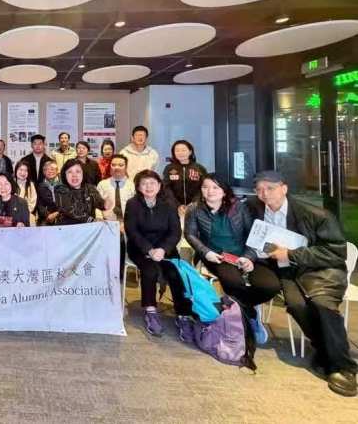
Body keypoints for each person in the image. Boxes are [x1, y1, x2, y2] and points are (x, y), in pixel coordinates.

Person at [247, 170, 357, 397]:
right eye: (259, 190)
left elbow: (336, 253)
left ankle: (344, 367)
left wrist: (291, 254)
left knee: (322, 305)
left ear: (284, 188)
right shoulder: (255, 208)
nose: (264, 194)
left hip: (321, 271)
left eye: (270, 188)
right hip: (288, 271)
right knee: (296, 305)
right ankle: (324, 349)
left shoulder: (316, 215)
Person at [184, 174, 279, 344]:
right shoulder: (194, 209)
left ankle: (237, 308)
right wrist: (206, 252)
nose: (210, 191)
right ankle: (250, 316)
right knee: (233, 282)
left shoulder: (239, 207)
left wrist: (249, 257)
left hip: (245, 255)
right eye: (205, 187)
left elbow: (253, 235)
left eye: (215, 187)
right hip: (217, 257)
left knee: (270, 286)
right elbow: (190, 234)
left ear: (224, 191)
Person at [124, 169, 193, 339]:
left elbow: (175, 232)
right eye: (144, 184)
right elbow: (132, 231)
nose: (148, 187)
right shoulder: (132, 204)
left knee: (176, 273)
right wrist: (149, 249)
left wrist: (163, 249)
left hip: (165, 248)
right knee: (150, 271)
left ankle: (183, 315)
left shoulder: (168, 204)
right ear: (138, 187)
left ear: (159, 185)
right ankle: (150, 310)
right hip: (140, 248)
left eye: (152, 183)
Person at [97, 154, 134, 272]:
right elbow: (96, 206)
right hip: (107, 224)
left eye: (120, 165)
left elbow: (137, 209)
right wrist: (100, 219)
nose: (117, 167)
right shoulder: (102, 184)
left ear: (126, 167)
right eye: (113, 165)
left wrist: (126, 224)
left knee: (123, 241)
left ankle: (120, 273)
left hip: (127, 225)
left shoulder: (132, 185)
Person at [53, 158, 112, 225]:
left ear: (83, 173)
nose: (74, 175)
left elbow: (100, 204)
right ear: (64, 175)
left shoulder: (90, 188)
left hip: (88, 228)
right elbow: (70, 210)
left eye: (78, 171)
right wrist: (91, 220)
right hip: (67, 228)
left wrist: (106, 203)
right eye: (70, 172)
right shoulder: (60, 189)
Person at [163, 139, 207, 214]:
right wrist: (177, 205)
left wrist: (194, 203)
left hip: (196, 207)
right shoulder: (169, 168)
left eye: (183, 150)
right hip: (174, 208)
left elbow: (204, 187)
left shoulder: (199, 168)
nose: (180, 153)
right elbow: (166, 188)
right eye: (177, 150)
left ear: (190, 152)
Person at [36, 160, 61, 225]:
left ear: (57, 171)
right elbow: (39, 204)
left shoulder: (63, 184)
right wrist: (47, 215)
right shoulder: (40, 186)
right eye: (47, 170)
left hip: (62, 214)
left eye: (52, 169)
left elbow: (67, 203)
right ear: (44, 172)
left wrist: (57, 214)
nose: (50, 171)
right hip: (47, 216)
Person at [14, 160, 37, 226]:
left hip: (27, 215)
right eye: (20, 170)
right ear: (16, 170)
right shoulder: (10, 183)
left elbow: (33, 202)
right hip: (12, 216)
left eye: (25, 170)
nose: (23, 173)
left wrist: (24, 213)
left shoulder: (30, 185)